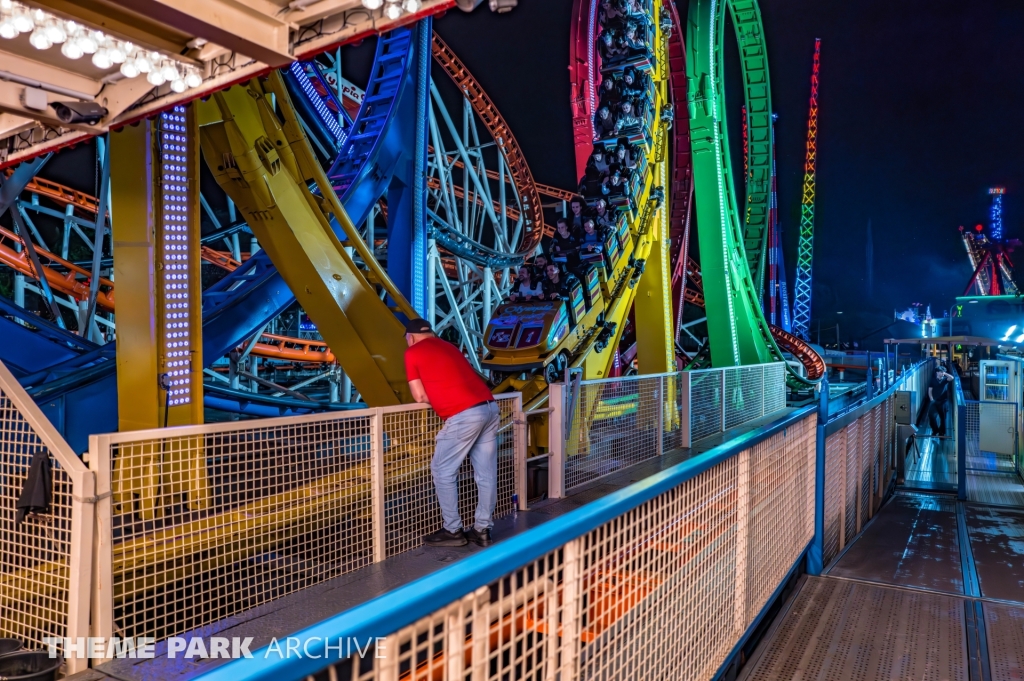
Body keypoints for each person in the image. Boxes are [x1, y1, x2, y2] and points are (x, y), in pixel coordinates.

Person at [404, 318, 500, 548]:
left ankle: (453, 530)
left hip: (463, 415)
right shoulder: (450, 346)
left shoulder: (412, 352)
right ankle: (482, 530)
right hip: (489, 407)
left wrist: (440, 398)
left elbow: (420, 397)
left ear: (410, 337)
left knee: (442, 470)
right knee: (485, 474)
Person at [927, 365, 954, 436]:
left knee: (943, 418)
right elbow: (930, 390)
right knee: (931, 416)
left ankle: (942, 432)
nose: (942, 373)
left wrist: (945, 373)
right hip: (934, 401)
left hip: (943, 401)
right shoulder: (933, 380)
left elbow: (952, 378)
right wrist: (931, 399)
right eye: (941, 372)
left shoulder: (945, 379)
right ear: (937, 372)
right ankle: (935, 430)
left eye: (943, 372)